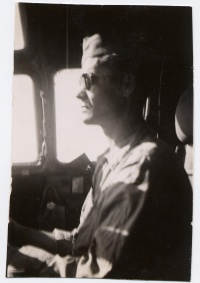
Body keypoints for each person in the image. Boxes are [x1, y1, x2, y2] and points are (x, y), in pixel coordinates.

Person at [7, 33, 192, 280]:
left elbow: (94, 276)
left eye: (88, 80)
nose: (78, 93)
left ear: (126, 84)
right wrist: (18, 233)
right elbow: (79, 242)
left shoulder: (142, 169)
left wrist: (15, 260)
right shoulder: (111, 161)